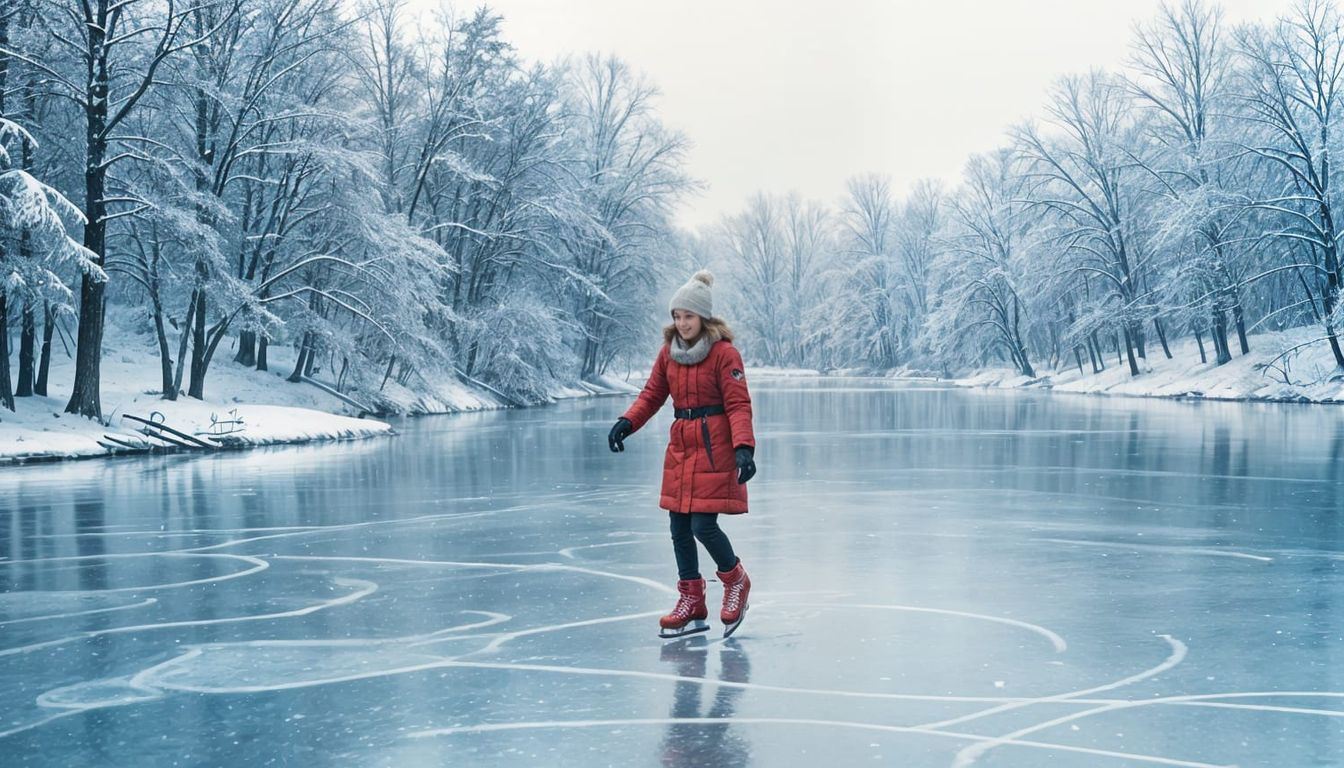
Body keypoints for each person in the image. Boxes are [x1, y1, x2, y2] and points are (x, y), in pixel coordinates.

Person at [608, 269, 758, 638]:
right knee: (678, 526)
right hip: (681, 447)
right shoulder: (668, 354)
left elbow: (739, 404)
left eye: (688, 316)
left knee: (702, 525)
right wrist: (627, 422)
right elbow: (652, 395)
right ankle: (692, 599)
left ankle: (736, 580)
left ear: (703, 317)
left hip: (715, 446)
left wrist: (743, 448)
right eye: (677, 315)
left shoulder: (725, 354)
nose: (681, 322)